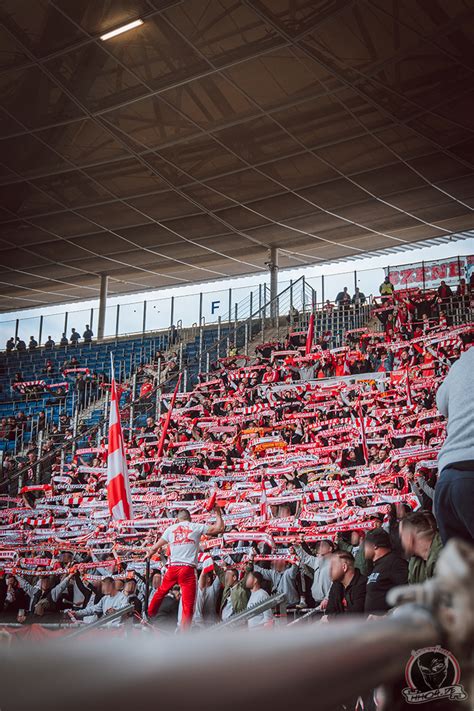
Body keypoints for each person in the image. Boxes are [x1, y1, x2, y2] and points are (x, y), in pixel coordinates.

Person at [147, 506, 225, 629]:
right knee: (188, 605)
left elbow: (154, 547)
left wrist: (149, 554)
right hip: (187, 570)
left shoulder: (170, 529)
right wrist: (218, 513)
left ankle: (150, 613)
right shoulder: (195, 526)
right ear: (190, 518)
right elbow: (219, 528)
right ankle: (184, 631)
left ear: (177, 520)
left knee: (161, 590)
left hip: (173, 568)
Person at [434, 346, 474, 544]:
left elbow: (441, 404)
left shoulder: (461, 363)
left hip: (446, 479)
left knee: (461, 570)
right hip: (470, 472)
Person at [364, 528, 408, 616]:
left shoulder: (395, 562)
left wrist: (386, 616)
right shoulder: (378, 564)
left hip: (390, 625)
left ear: (374, 546)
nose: (363, 549)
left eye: (365, 545)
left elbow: (407, 595)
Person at [399, 512, 443, 585]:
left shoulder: (444, 552)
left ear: (409, 537)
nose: (401, 542)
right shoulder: (415, 562)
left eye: (401, 537)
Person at [325, 551, 367, 616]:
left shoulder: (363, 585)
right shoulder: (336, 585)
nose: (329, 569)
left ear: (344, 567)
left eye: (333, 566)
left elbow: (355, 616)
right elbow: (329, 612)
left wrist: (331, 618)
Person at [295, 540, 334, 607]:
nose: (320, 547)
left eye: (323, 545)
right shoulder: (317, 561)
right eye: (319, 545)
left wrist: (327, 598)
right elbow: (305, 558)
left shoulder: (335, 563)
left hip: (329, 602)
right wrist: (297, 547)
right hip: (317, 602)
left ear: (330, 548)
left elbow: (334, 584)